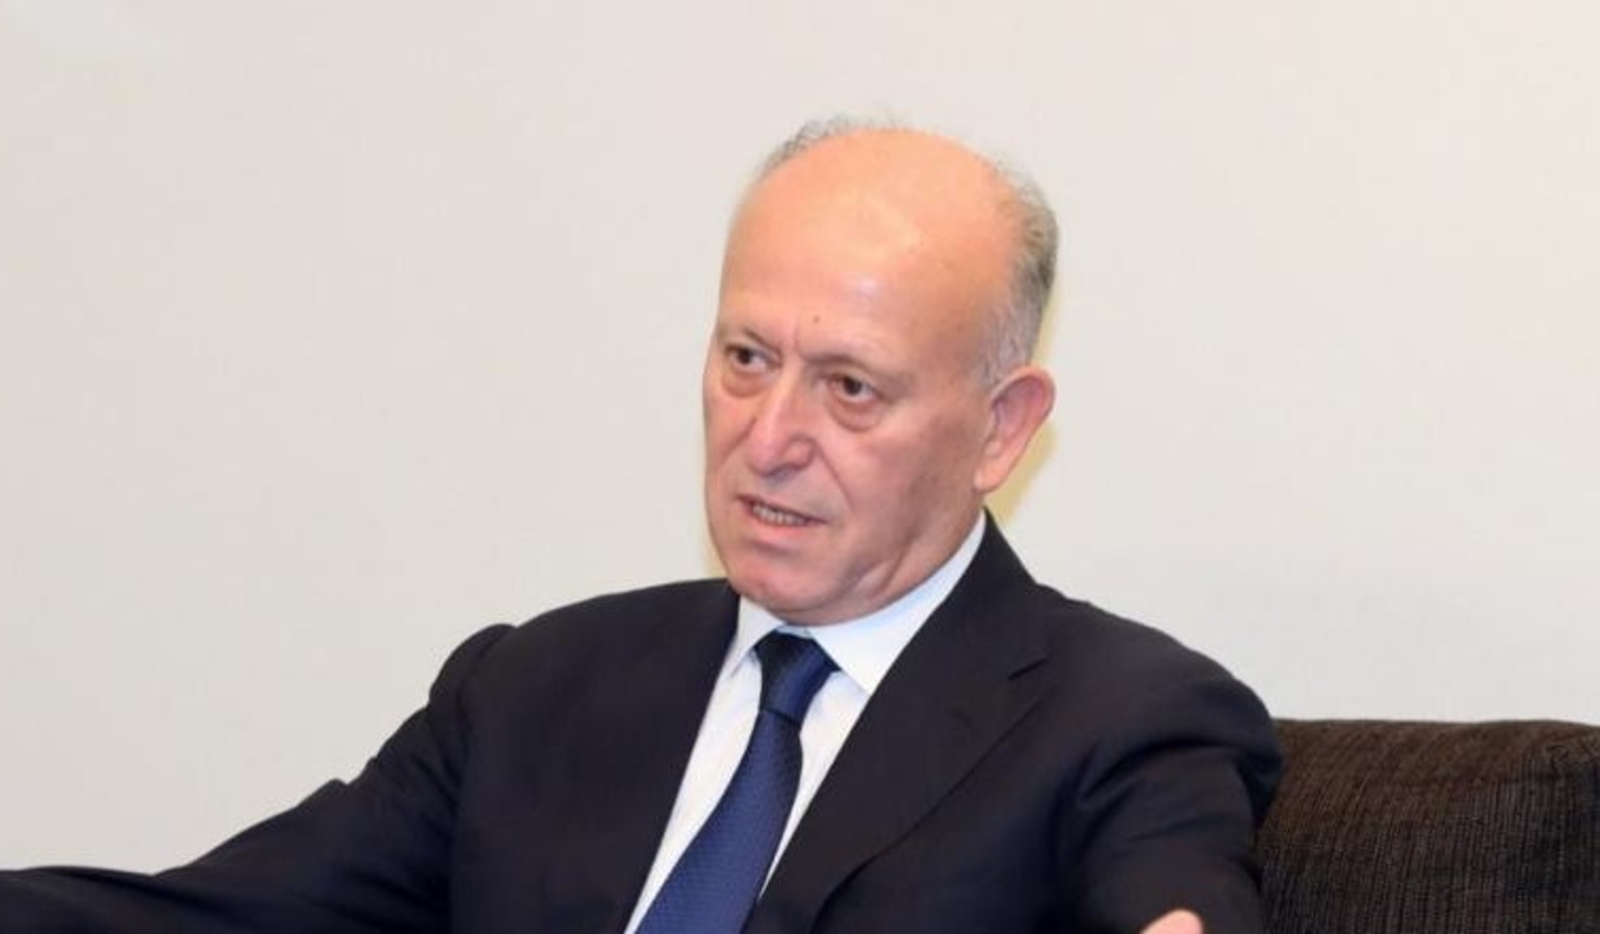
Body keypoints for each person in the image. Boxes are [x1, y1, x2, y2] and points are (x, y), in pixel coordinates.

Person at [1, 119, 1280, 933]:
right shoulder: (536, 686)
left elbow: (1173, 896)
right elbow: (224, 915)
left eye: (849, 387)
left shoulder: (1121, 720)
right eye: (745, 358)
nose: (767, 437)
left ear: (1001, 428)